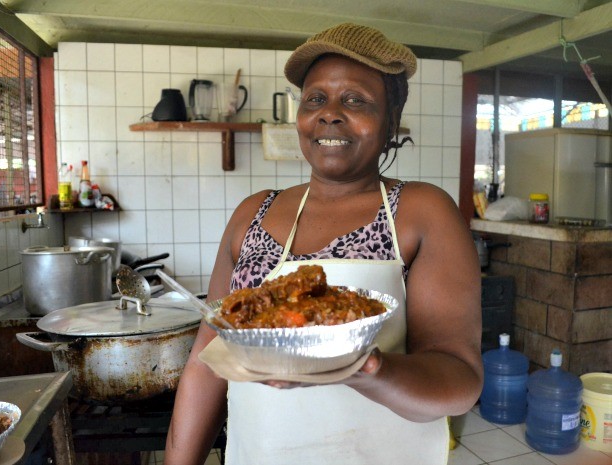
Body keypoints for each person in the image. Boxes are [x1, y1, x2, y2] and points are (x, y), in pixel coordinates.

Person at [165, 22, 483, 465]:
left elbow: (459, 379)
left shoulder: (422, 212)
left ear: (391, 122)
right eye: (315, 98)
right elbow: (205, 362)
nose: (329, 112)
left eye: (355, 100)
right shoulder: (251, 214)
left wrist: (364, 367)